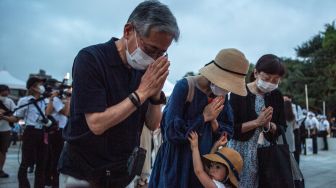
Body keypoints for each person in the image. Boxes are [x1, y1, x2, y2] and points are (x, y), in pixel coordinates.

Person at [57, 1, 180, 187]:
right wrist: (142, 92)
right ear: (129, 31)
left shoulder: (143, 70)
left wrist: (154, 95)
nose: (154, 59)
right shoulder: (91, 59)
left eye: (162, 53)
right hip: (84, 172)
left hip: (123, 172)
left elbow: (153, 123)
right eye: (150, 49)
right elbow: (96, 124)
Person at [149, 48, 250, 187]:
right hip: (178, 163)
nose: (227, 90)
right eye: (227, 85)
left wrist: (215, 123)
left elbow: (228, 130)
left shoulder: (221, 94)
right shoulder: (184, 87)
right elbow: (172, 133)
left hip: (204, 163)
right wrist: (203, 117)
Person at [228, 54, 286, 187]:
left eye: (275, 80)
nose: (270, 83)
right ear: (256, 73)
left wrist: (268, 125)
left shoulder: (276, 95)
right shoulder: (239, 92)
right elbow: (231, 128)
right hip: (239, 151)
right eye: (266, 78)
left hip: (266, 154)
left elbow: (282, 127)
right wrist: (256, 123)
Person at [14, 77, 57, 188]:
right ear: (33, 87)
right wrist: (4, 116)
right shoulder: (25, 100)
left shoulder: (44, 100)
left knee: (42, 162)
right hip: (30, 131)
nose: (41, 87)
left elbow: (47, 114)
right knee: (25, 162)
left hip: (42, 131)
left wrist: (51, 99)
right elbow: (16, 117)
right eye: (39, 84)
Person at [44, 79, 71, 187]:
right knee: (56, 156)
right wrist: (69, 99)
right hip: (56, 131)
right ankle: (53, 180)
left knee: (52, 156)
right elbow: (65, 112)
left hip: (58, 130)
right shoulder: (54, 99)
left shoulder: (56, 99)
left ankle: (50, 178)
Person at [0, 84, 17, 178]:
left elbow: (15, 117)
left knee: (3, 151)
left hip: (6, 129)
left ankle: (0, 170)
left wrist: (4, 116)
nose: (4, 95)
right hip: (5, 130)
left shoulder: (10, 101)